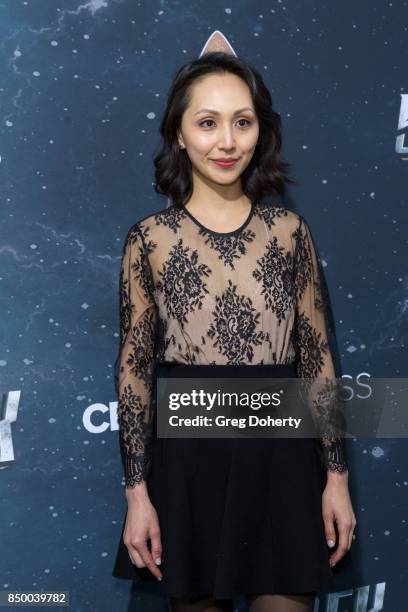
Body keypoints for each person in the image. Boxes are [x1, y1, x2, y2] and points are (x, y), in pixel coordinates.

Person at [112, 50, 356, 612]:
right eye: (208, 122)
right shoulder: (148, 240)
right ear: (178, 133)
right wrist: (137, 494)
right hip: (188, 464)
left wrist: (336, 480)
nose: (227, 141)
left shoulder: (291, 232)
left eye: (242, 122)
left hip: (283, 458)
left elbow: (317, 361)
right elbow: (134, 373)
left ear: (260, 132)